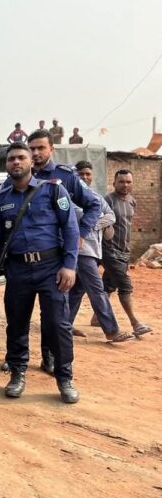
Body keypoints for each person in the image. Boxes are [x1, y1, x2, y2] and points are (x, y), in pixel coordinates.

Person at [0, 142, 80, 403]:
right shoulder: (0, 199)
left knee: (58, 325)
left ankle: (64, 377)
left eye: (21, 158)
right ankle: (17, 374)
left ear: (31, 162)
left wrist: (70, 265)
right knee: (16, 324)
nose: (16, 162)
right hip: (17, 270)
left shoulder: (53, 190)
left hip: (51, 269)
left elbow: (71, 228)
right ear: (7, 165)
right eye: (11, 159)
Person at [26, 129, 101, 375]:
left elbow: (94, 205)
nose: (36, 153)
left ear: (51, 149)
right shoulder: (21, 174)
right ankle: (17, 359)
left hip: (57, 255)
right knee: (19, 312)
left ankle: (49, 356)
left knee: (53, 313)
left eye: (40, 148)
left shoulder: (65, 176)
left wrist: (80, 233)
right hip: (26, 255)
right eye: (32, 148)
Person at [69, 162, 133, 342]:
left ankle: (64, 324)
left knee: (77, 289)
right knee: (97, 289)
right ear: (74, 177)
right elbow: (76, 217)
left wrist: (92, 225)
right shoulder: (68, 196)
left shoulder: (95, 196)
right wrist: (94, 220)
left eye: (88, 174)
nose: (85, 177)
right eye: (81, 174)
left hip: (94, 250)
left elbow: (111, 216)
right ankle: (111, 330)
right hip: (80, 249)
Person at [100, 169, 153, 337]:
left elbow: (126, 226)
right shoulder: (107, 201)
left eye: (128, 182)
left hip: (124, 251)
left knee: (109, 285)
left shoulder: (132, 201)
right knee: (125, 286)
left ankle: (96, 317)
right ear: (114, 183)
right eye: (121, 182)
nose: (125, 185)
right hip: (109, 250)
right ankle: (135, 323)